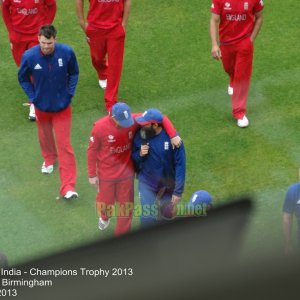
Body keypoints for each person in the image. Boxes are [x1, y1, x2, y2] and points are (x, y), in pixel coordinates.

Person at [87, 102, 181, 236]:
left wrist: (173, 134)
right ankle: (104, 216)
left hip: (126, 174)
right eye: (123, 122)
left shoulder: (131, 120)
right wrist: (92, 174)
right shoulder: (99, 127)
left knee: (126, 208)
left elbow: (160, 117)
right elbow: (92, 150)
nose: (128, 124)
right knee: (106, 203)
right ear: (113, 117)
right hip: (106, 175)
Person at [18, 25, 79, 200]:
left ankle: (68, 187)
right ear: (38, 39)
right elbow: (22, 78)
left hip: (62, 108)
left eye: (50, 43)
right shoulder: (29, 56)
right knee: (44, 136)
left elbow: (74, 72)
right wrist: (33, 97)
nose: (46, 46)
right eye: (44, 42)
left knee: (65, 146)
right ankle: (49, 158)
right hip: (41, 107)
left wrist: (70, 93)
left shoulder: (67, 52)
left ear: (55, 39)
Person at [209, 0, 264, 128]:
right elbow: (214, 20)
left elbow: (259, 17)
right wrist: (214, 44)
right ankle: (232, 80)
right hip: (226, 43)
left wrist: (251, 40)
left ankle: (239, 112)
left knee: (242, 76)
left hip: (244, 43)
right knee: (228, 68)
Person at [1, 0, 57, 120]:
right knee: (23, 68)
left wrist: (45, 29)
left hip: (35, 35)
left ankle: (35, 103)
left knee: (36, 68)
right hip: (18, 36)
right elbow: (5, 7)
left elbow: (51, 6)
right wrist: (11, 31)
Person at [132, 108, 186, 228]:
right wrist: (139, 154)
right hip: (147, 183)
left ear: (155, 125)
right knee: (147, 218)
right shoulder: (140, 135)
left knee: (167, 216)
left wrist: (178, 191)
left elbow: (180, 164)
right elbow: (133, 157)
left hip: (167, 185)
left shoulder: (173, 139)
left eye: (145, 124)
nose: (141, 126)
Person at [76, 0, 131, 112]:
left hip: (115, 28)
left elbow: (128, 1)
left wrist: (124, 24)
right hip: (95, 28)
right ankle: (102, 73)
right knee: (97, 58)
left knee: (115, 66)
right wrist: (82, 22)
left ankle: (110, 102)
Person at [282, 181, 300, 255]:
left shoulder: (293, 190)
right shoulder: (293, 190)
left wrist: (288, 243)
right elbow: (287, 219)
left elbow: (287, 219)